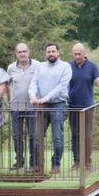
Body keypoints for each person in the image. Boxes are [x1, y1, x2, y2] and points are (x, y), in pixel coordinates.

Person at [29, 43, 71, 174]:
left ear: (58, 53)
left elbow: (62, 86)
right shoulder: (40, 67)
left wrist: (46, 97)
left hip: (58, 104)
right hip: (41, 106)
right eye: (48, 52)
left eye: (53, 51)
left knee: (57, 137)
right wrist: (32, 95)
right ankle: (37, 165)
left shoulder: (65, 67)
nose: (51, 54)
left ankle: (56, 164)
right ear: (45, 53)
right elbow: (34, 82)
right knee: (36, 136)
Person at [68, 43, 99, 170]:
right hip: (72, 105)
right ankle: (77, 161)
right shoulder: (68, 66)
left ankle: (87, 161)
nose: (77, 56)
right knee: (75, 134)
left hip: (87, 106)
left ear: (84, 53)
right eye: (75, 54)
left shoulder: (92, 67)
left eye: (79, 54)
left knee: (87, 135)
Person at [6, 42, 39, 171]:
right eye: (19, 52)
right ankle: (19, 162)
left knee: (33, 136)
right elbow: (7, 85)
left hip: (32, 107)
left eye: (24, 51)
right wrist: (10, 100)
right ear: (16, 54)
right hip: (15, 107)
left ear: (29, 52)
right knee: (17, 136)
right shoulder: (11, 68)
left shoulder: (38, 65)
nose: (22, 54)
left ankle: (34, 163)